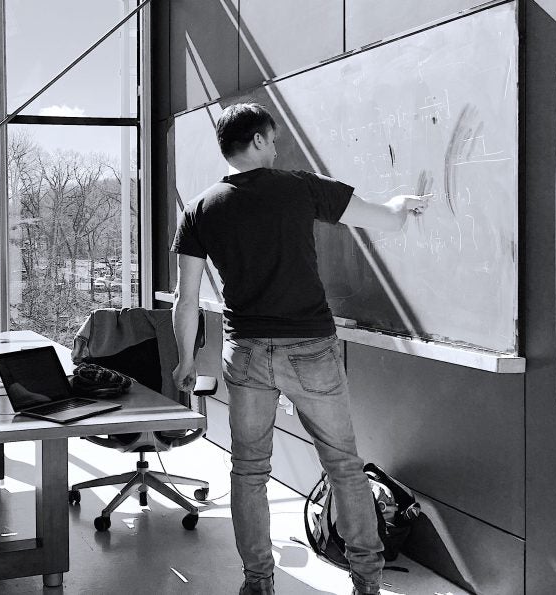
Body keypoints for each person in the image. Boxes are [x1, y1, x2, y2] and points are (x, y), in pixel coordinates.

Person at [169, 103, 428, 595]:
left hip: (244, 352)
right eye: (274, 138)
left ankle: (259, 584)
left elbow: (186, 299)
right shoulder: (300, 186)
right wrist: (403, 205)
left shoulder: (200, 209)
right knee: (343, 465)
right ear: (260, 141)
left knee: (248, 472)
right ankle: (367, 584)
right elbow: (383, 220)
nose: (278, 146)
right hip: (310, 347)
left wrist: (185, 360)